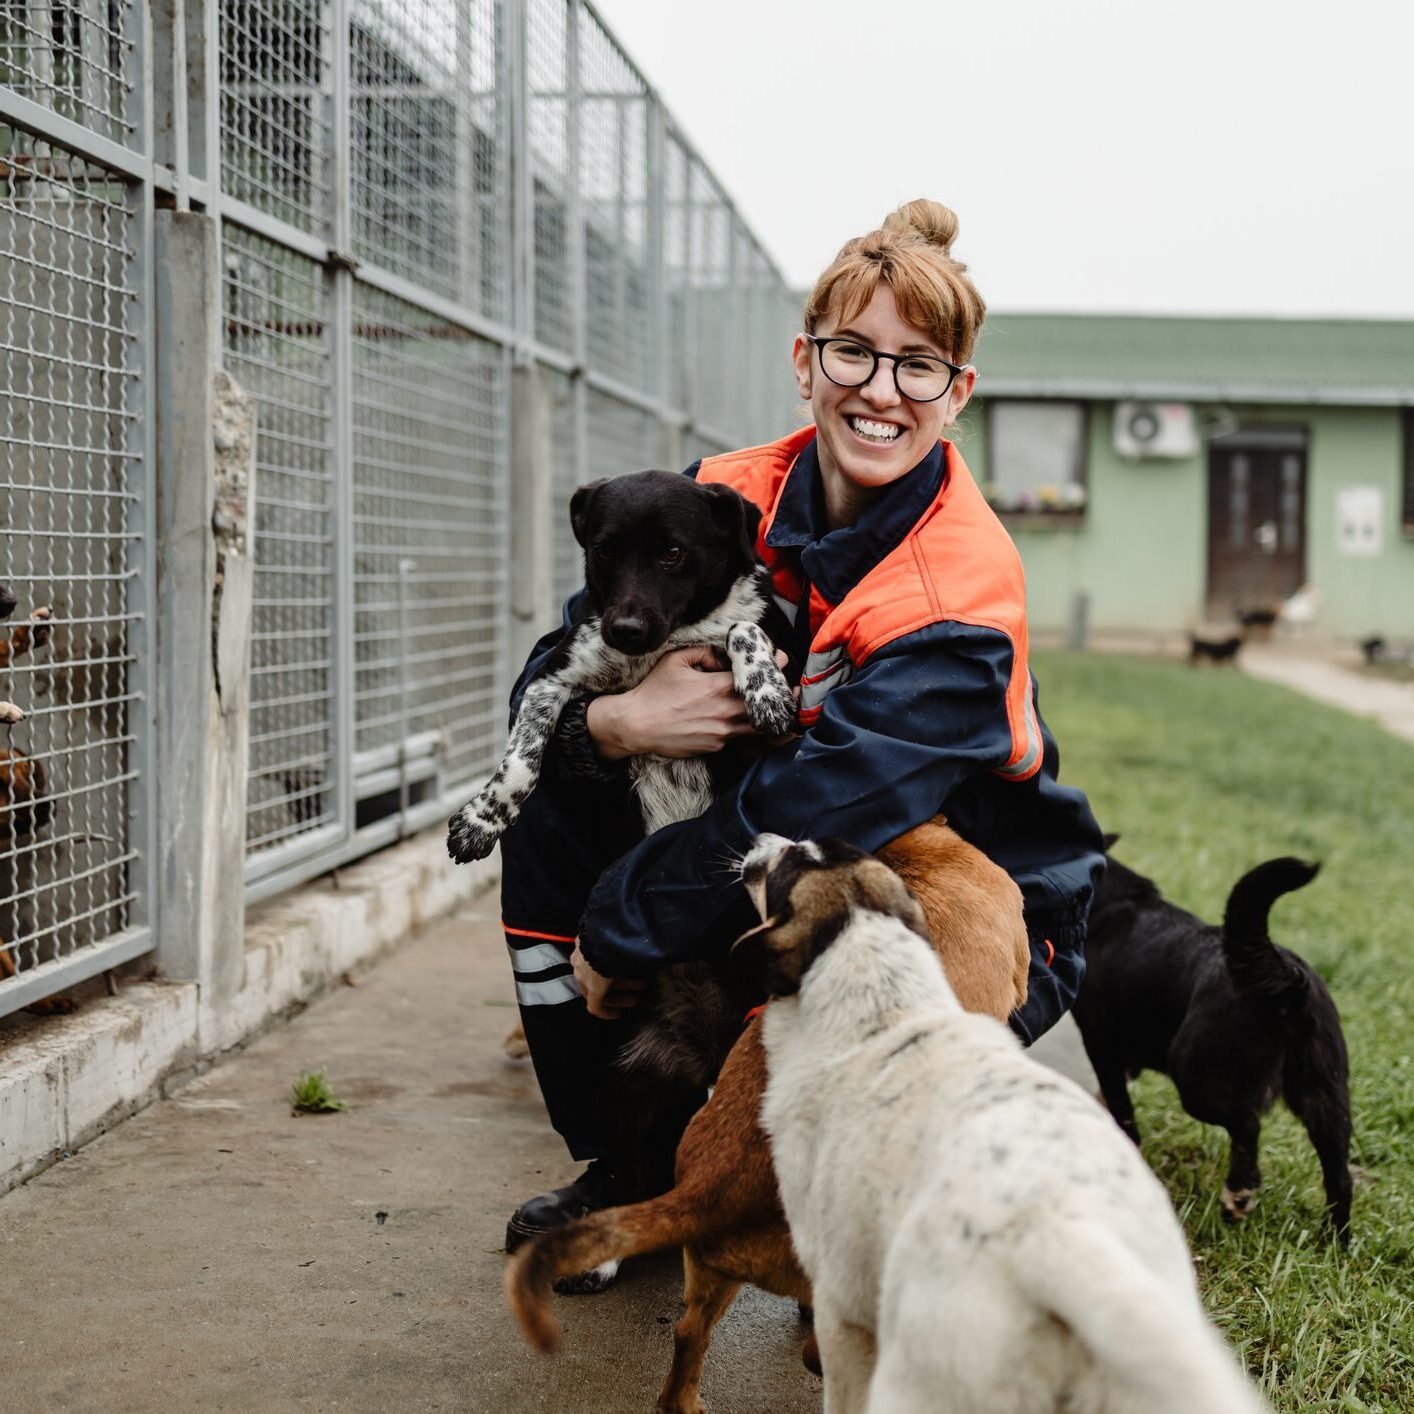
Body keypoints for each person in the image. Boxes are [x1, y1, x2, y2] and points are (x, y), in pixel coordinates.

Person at [496, 198, 1105, 1253]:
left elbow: (818, 802)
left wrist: (618, 920)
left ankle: (886, 1210)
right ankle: (625, 1160)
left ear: (955, 394)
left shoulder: (959, 582)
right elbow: (551, 671)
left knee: (861, 1137)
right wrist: (618, 720)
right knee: (558, 766)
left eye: (918, 365)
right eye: (853, 352)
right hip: (769, 843)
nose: (880, 389)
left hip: (946, 873)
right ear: (804, 360)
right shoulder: (721, 497)